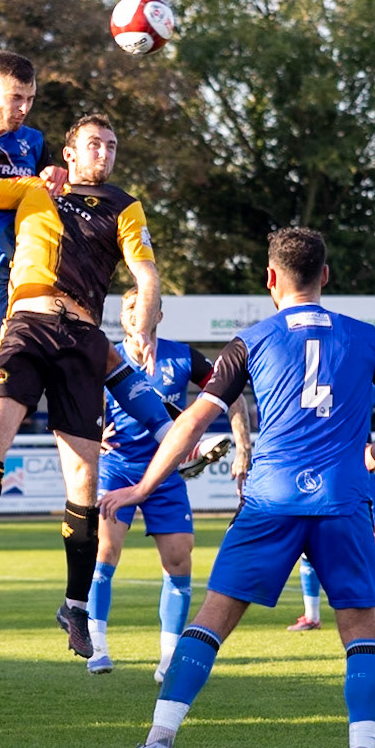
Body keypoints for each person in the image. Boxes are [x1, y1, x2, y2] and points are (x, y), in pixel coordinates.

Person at [102, 228, 375, 748]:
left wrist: (142, 486)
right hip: (343, 499)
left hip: (271, 498)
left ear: (271, 278)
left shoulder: (249, 341)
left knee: (211, 621)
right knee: (360, 632)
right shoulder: (370, 339)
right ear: (325, 275)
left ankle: (159, 737)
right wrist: (370, 457)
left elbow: (192, 424)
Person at [0, 53, 174, 584]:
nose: (22, 108)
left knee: (95, 347)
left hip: (32, 285)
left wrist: (55, 175)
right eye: (14, 97)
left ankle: (176, 429)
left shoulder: (31, 143)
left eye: (30, 99)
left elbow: (51, 192)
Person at [0, 112, 162, 660]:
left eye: (112, 145)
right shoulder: (30, 188)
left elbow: (145, 273)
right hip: (25, 324)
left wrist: (144, 319)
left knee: (84, 477)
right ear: (68, 153)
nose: (105, 152)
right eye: (95, 143)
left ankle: (75, 607)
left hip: (80, 335)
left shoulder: (124, 205)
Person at [88, 287, 252, 678]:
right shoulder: (103, 356)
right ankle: (96, 644)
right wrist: (91, 434)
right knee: (105, 552)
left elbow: (232, 396)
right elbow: (69, 400)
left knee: (179, 560)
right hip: (117, 467)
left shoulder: (184, 357)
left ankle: (168, 657)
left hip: (166, 474)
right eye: (128, 308)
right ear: (121, 316)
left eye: (143, 307)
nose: (135, 314)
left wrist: (243, 446)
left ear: (158, 315)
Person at [289, 404, 375, 634]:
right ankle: (311, 615)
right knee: (308, 540)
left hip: (358, 469)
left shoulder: (370, 376)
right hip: (318, 469)